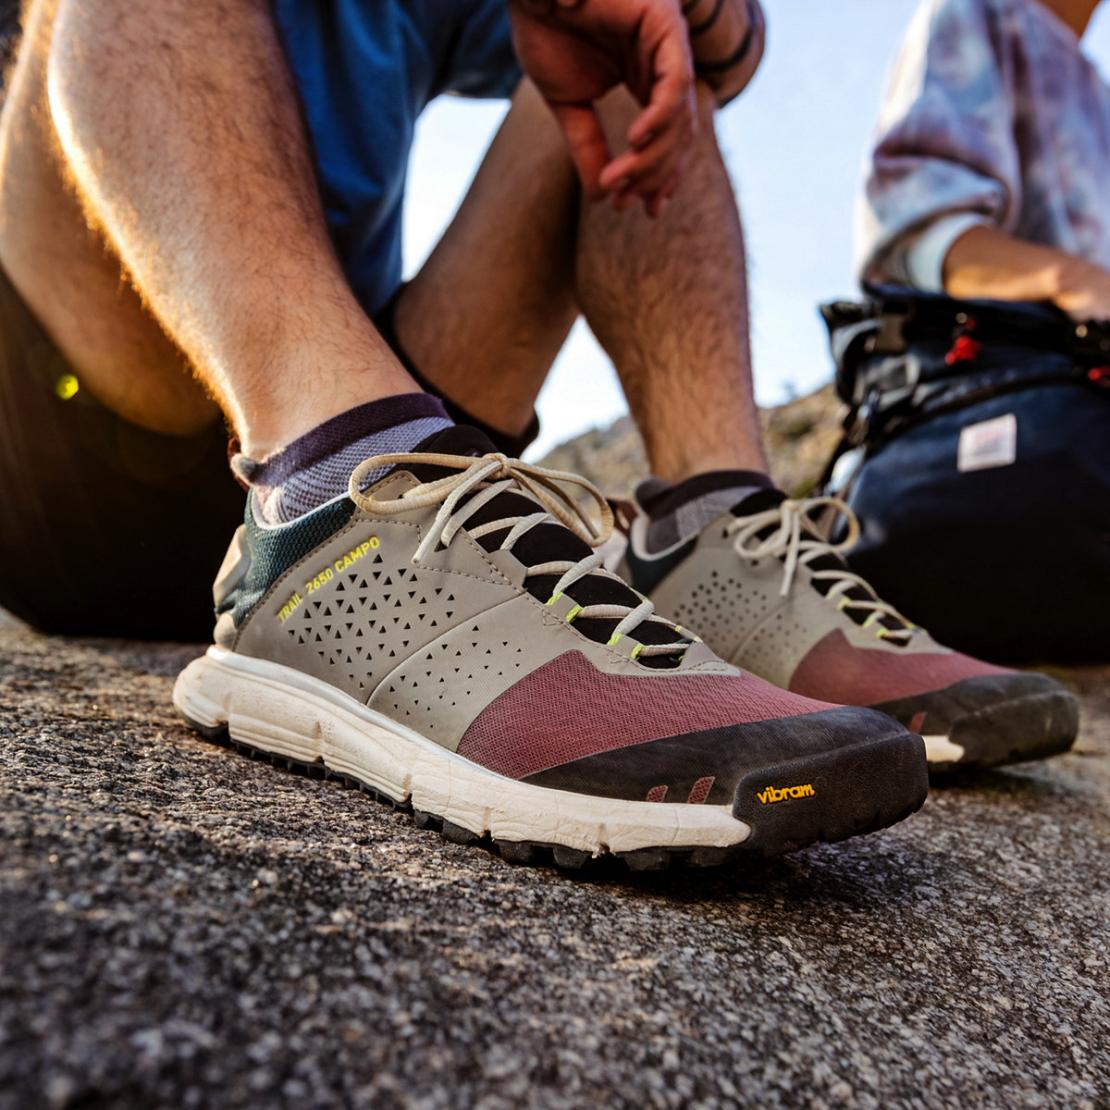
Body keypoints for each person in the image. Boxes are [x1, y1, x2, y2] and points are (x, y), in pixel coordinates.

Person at [0, 0, 1075, 868]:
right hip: (87, 421)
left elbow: (727, 51)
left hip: (404, 461)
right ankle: (321, 493)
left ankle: (710, 537)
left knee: (629, 53)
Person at [837, 0, 1110, 663]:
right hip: (1011, 416)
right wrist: (1076, 283)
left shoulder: (1095, 89)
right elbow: (921, 235)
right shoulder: (976, 13)